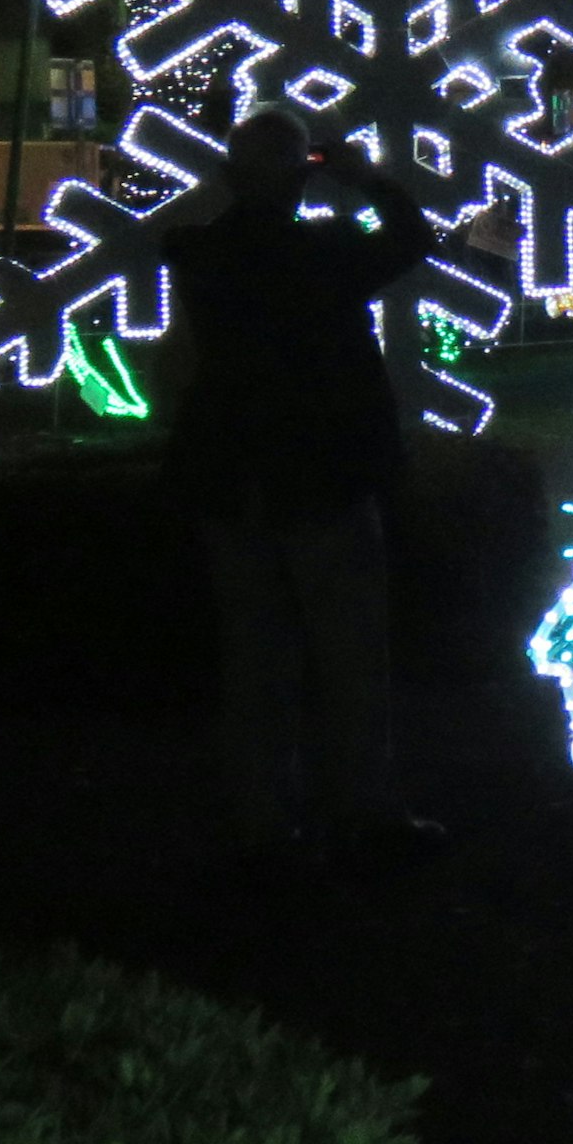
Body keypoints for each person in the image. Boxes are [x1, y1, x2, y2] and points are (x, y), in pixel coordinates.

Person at [160, 110, 443, 878]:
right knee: (350, 652)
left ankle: (264, 819)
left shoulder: (203, 255)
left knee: (255, 657)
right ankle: (367, 808)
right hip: (322, 477)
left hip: (232, 478)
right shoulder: (319, 255)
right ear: (300, 176)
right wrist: (368, 180)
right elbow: (414, 237)